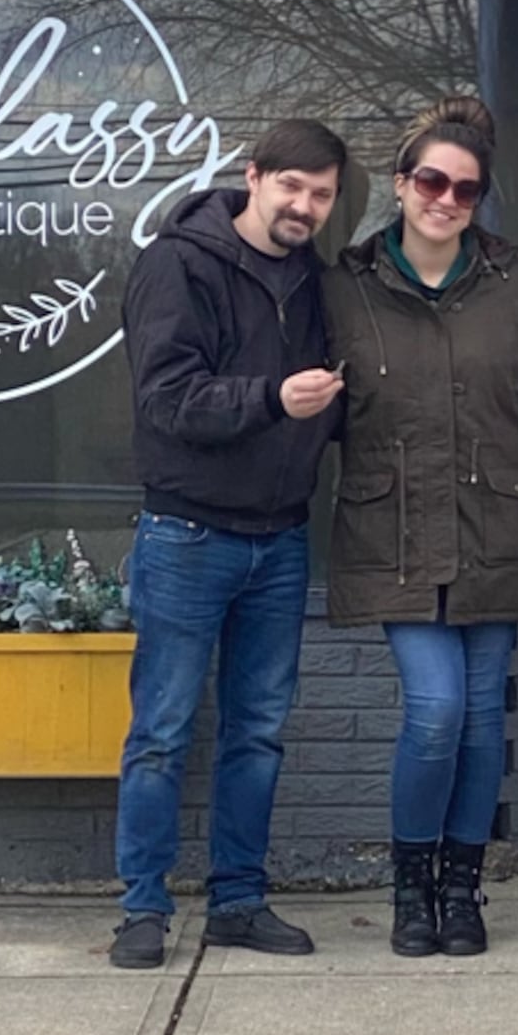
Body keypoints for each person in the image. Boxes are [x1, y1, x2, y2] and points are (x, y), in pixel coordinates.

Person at [110, 119, 348, 970]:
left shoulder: (317, 283)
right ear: (254, 176)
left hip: (280, 539)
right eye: (292, 187)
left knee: (257, 730)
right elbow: (166, 398)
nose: (305, 206)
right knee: (163, 729)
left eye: (321, 194)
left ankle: (237, 901)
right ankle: (141, 908)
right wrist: (276, 399)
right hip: (186, 532)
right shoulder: (179, 263)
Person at [323, 98, 518, 959]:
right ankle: (409, 887)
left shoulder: (514, 284)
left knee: (480, 722)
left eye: (464, 188)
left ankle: (463, 890)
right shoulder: (346, 287)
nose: (445, 198)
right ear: (400, 183)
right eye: (431, 179)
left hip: (496, 524)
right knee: (437, 710)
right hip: (395, 531)